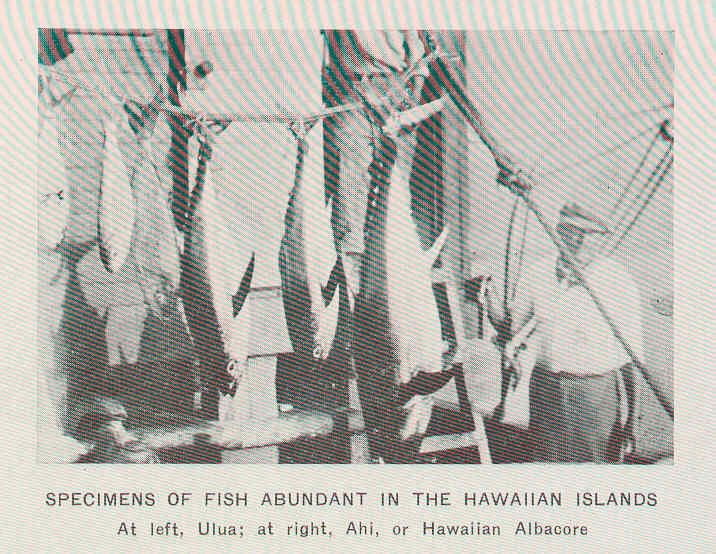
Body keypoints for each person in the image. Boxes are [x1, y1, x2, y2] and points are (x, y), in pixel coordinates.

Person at [485, 202, 642, 463]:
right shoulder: (537, 274)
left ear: (600, 240)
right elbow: (510, 329)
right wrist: (487, 297)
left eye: (588, 236)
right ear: (557, 231)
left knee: (594, 472)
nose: (578, 242)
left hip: (595, 394)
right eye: (571, 232)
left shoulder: (617, 281)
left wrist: (631, 424)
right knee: (547, 466)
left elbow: (631, 360)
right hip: (546, 389)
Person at [322, 30, 431, 308]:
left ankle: (398, 287)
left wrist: (412, 100)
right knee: (349, 196)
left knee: (395, 198)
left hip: (395, 86)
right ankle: (353, 300)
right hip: (350, 90)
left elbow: (418, 56)